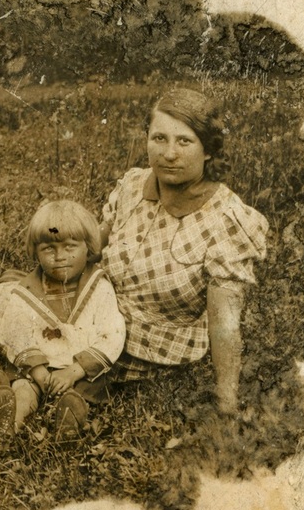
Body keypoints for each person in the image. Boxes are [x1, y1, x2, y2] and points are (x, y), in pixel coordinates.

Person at [99, 88, 268, 414]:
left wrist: (226, 401)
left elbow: (225, 323)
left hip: (154, 349)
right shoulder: (133, 185)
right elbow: (92, 248)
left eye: (184, 142)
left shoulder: (226, 219)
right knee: (16, 295)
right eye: (159, 138)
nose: (169, 153)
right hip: (97, 322)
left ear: (208, 150)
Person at [0, 200, 126, 438]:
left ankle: (68, 420)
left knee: (82, 392)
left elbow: (112, 333)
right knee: (23, 386)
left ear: (88, 247)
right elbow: (15, 332)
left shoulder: (98, 286)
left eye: (70, 247)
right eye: (49, 249)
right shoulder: (27, 290)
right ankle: (9, 424)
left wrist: (74, 371)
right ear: (35, 251)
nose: (60, 256)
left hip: (80, 370)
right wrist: (39, 372)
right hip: (37, 365)